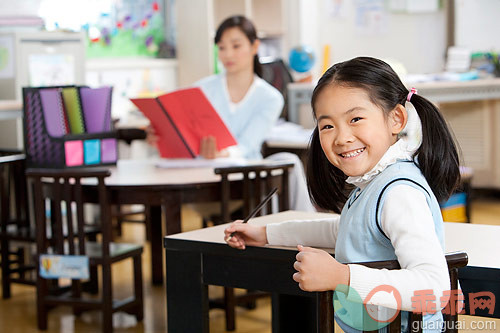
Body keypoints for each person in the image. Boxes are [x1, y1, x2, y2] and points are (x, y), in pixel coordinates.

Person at [224, 57, 460, 332]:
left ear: (396, 119)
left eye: (356, 119)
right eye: (327, 126)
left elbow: (435, 289)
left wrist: (342, 276)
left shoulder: (399, 193)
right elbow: (345, 231)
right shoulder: (373, 183)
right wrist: (265, 234)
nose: (342, 137)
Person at [148, 15, 315, 212]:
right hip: (202, 178)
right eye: (222, 47)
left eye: (236, 46)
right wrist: (162, 135)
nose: (228, 54)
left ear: (254, 47)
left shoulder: (270, 97)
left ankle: (296, 230)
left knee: (288, 161)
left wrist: (223, 152)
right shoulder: (200, 90)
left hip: (244, 180)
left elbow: (248, 145)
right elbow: (184, 133)